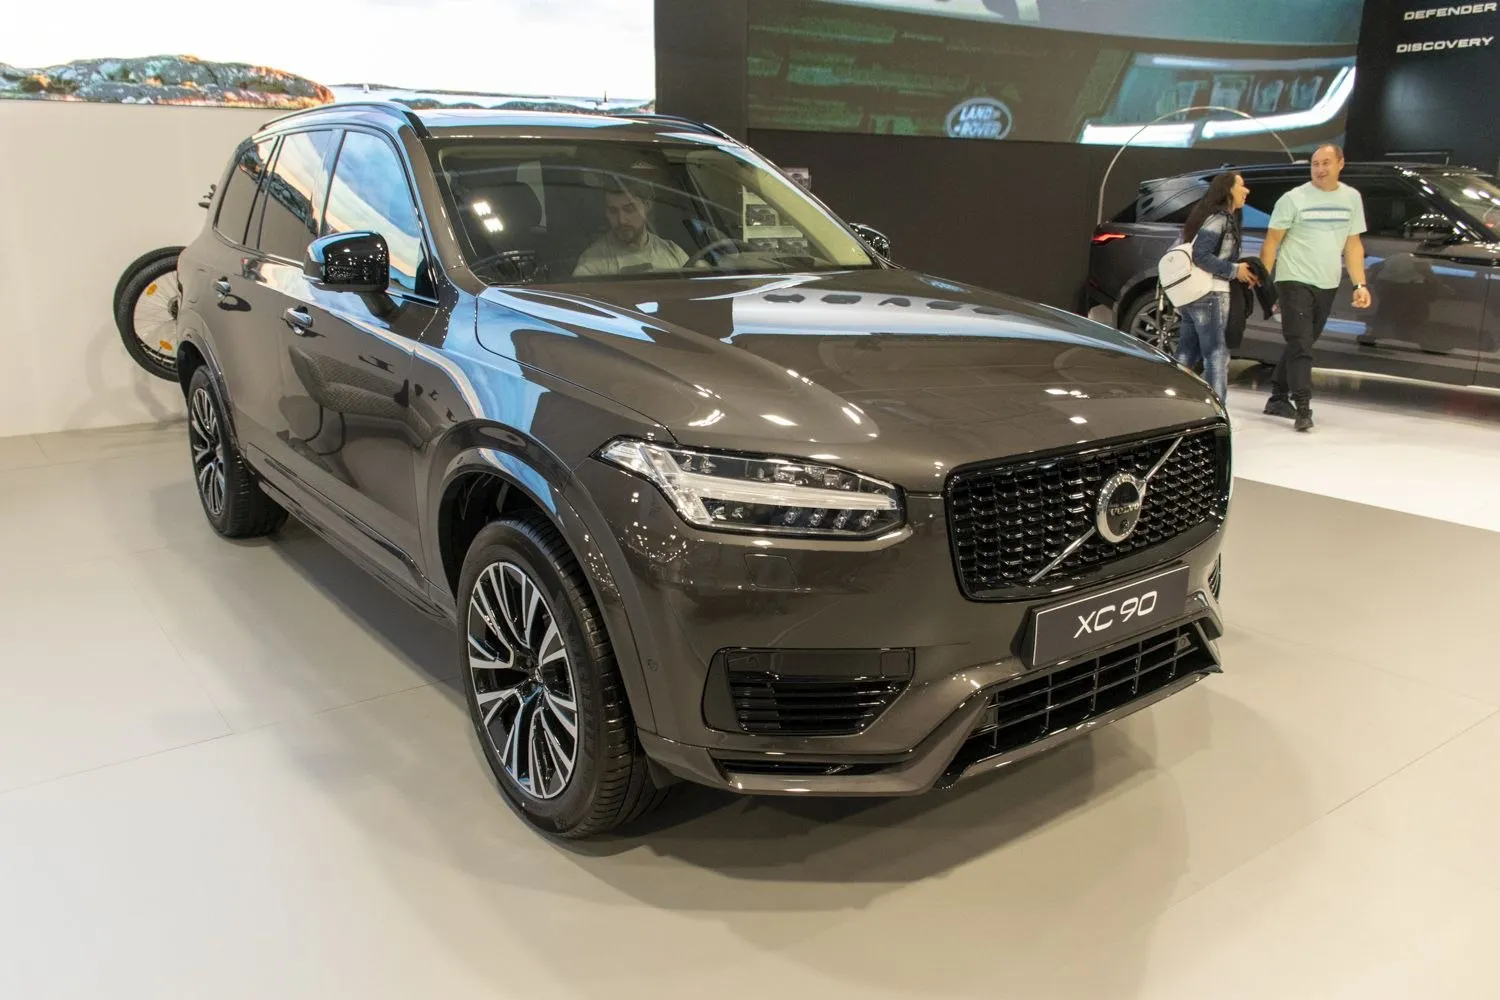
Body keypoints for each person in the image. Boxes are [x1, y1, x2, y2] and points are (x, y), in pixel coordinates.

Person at [1259, 144, 1371, 432]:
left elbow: (1353, 244)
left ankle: (1277, 397)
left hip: (1328, 281)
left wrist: (1360, 284)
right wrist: (1264, 282)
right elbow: (1271, 242)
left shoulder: (1351, 198)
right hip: (1293, 279)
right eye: (1315, 163)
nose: (1319, 169)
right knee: (1301, 344)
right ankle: (1303, 408)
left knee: (1303, 342)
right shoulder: (1293, 199)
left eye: (1326, 163)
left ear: (1341, 164)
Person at [1175, 172, 1259, 402]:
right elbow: (1201, 255)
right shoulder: (1220, 219)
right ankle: (1217, 408)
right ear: (1228, 189)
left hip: (1193, 294)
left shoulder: (1207, 216)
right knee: (1216, 355)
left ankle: (1174, 402)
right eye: (1241, 185)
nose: (1246, 190)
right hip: (1210, 294)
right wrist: (1234, 270)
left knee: (1186, 352)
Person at [572, 178, 689, 277]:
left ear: (647, 206)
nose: (621, 220)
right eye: (613, 211)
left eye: (629, 209)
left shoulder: (672, 252)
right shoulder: (592, 263)